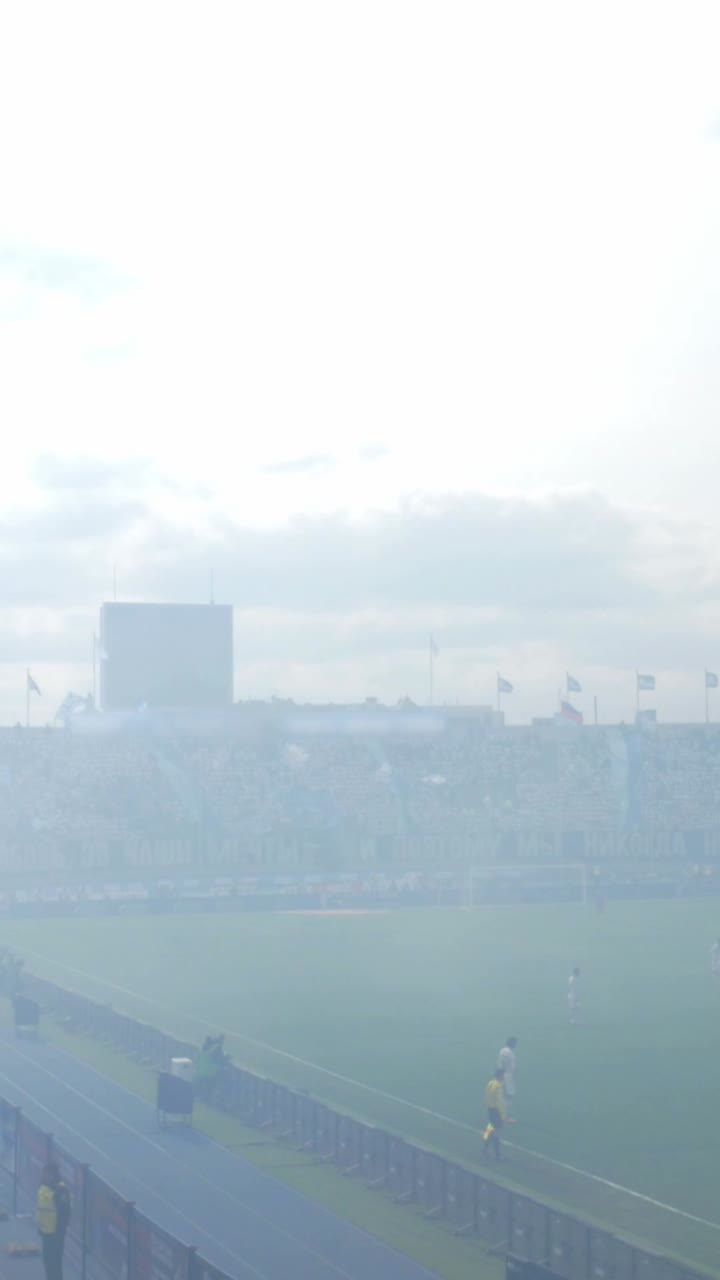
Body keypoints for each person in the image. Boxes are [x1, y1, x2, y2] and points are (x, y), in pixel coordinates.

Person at [36, 1162, 71, 1280]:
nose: (42, 1176)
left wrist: (59, 1233)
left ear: (52, 1175)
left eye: (45, 1174)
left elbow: (64, 1214)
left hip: (56, 1234)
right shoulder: (44, 1186)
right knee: (48, 1262)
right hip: (46, 1233)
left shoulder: (60, 1190)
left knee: (55, 1264)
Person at [483, 1068, 505, 1160]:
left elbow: (486, 1096)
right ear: (500, 1076)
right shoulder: (498, 1086)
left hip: (490, 1110)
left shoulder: (490, 1083)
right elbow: (499, 1102)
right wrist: (503, 1115)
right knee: (497, 1133)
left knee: (489, 1129)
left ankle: (484, 1148)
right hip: (496, 1111)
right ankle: (498, 1155)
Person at [496, 1037, 518, 1116]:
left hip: (502, 1075)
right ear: (511, 1043)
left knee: (503, 1095)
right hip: (508, 1076)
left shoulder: (502, 1051)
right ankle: (504, 1114)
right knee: (509, 1095)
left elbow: (499, 1063)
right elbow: (512, 1067)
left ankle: (501, 1113)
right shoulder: (510, 1053)